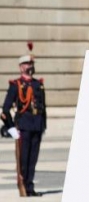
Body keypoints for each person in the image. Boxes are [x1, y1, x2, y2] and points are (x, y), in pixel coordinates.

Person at [2, 45, 47, 197]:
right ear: (21, 67)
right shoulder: (16, 85)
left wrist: (43, 125)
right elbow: (5, 110)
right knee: (24, 159)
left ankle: (30, 186)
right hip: (23, 126)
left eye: (31, 64)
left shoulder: (38, 84)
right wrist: (10, 128)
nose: (30, 66)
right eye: (27, 64)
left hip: (36, 126)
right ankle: (23, 185)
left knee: (33, 158)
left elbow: (42, 107)